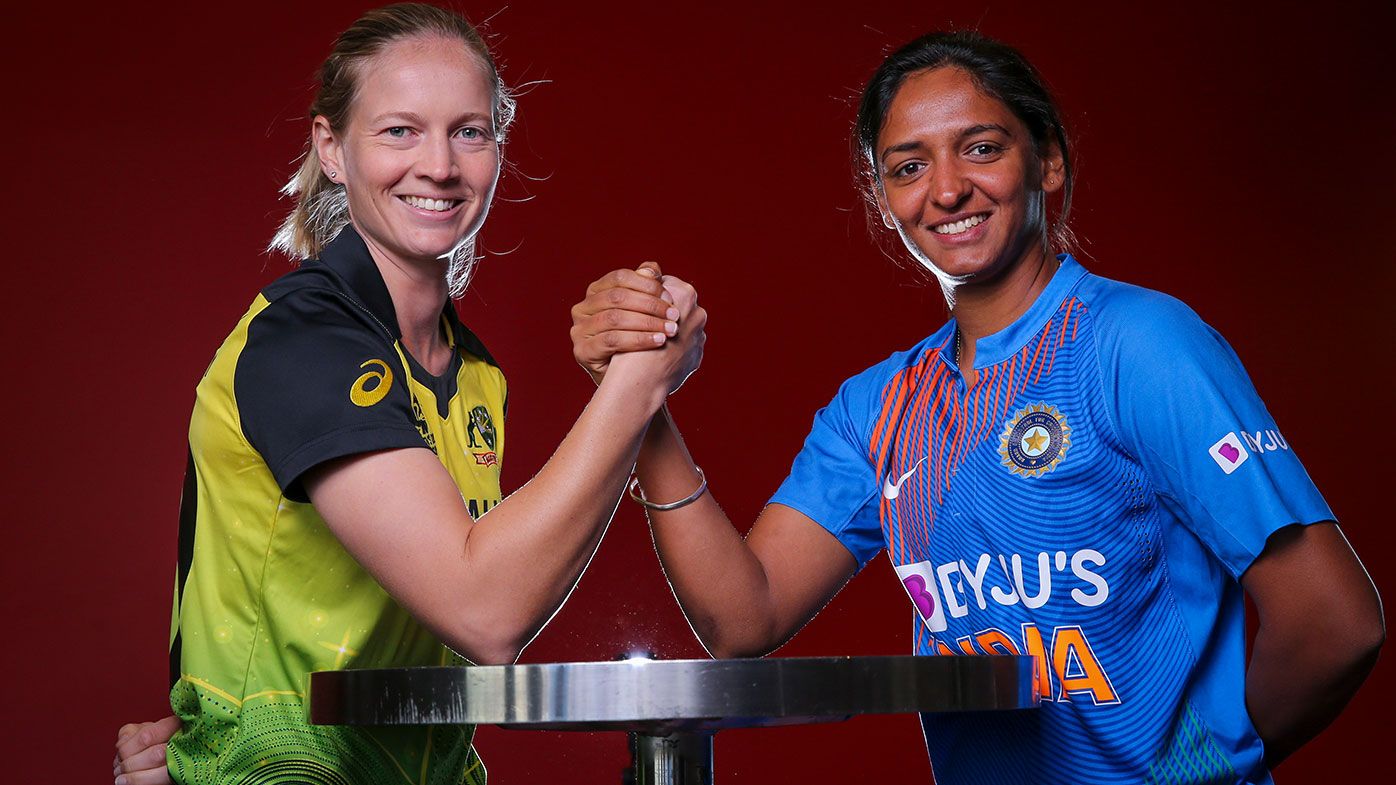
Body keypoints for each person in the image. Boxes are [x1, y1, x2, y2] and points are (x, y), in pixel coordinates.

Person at [569, 31, 1384, 784]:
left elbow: (1335, 624)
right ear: (883, 198)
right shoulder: (878, 408)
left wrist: (1194, 770)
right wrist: (640, 393)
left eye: (982, 149)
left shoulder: (1139, 346)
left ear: (1049, 162)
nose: (949, 188)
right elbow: (743, 618)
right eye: (909, 166)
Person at [112, 4, 704, 785]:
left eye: (470, 131)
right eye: (399, 131)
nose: (440, 165)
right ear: (331, 148)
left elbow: (484, 593)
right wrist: (638, 381)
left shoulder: (477, 375)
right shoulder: (304, 338)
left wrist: (632, 378)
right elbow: (487, 612)